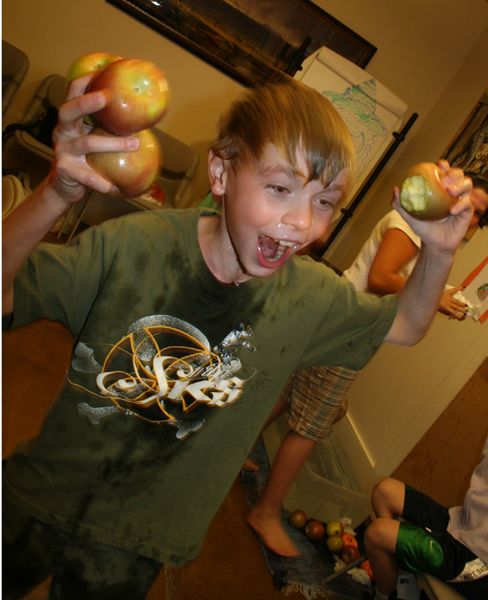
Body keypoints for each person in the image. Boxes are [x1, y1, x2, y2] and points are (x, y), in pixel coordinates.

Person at [2, 73, 473, 599]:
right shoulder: (134, 245)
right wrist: (54, 194)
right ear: (222, 172)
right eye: (279, 188)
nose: (300, 223)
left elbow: (406, 326)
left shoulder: (311, 297)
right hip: (35, 495)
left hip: (142, 540)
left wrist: (439, 251)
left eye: (324, 202)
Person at [245, 174, 488, 558]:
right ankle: (266, 512)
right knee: (312, 425)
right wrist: (433, 300)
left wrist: (434, 291)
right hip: (351, 327)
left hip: (346, 322)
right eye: (470, 206)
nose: (473, 219)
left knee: (297, 396)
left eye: (480, 215)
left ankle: (237, 448)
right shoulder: (408, 227)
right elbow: (380, 279)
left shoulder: (422, 232)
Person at [364, 436, 488, 600]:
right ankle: (405, 585)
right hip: (463, 523)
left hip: (477, 559)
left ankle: (384, 596)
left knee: (377, 534)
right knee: (384, 492)